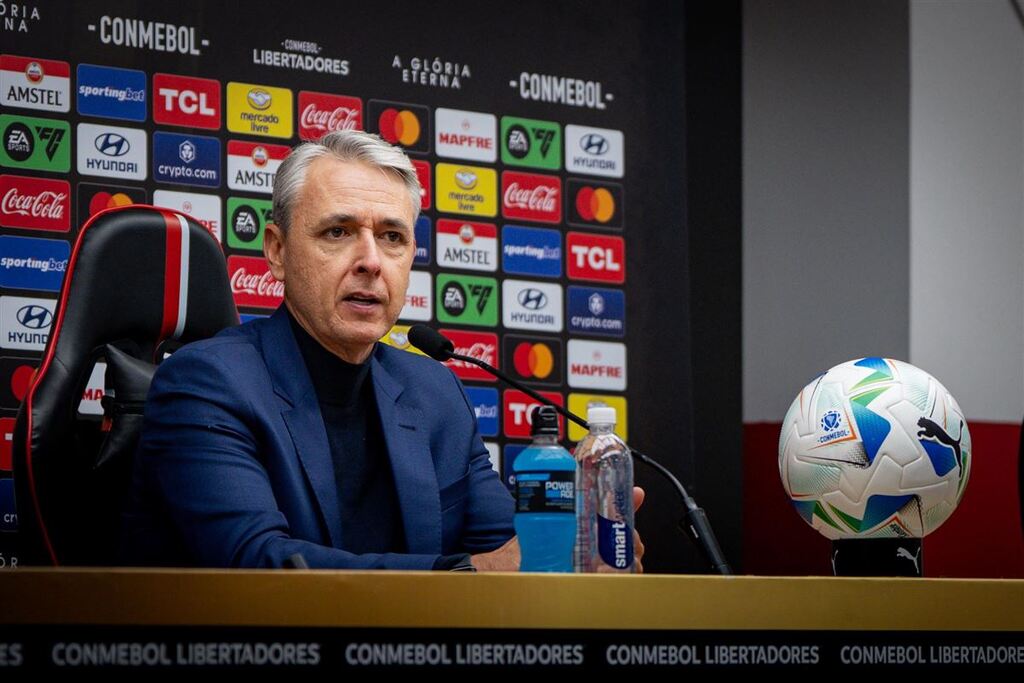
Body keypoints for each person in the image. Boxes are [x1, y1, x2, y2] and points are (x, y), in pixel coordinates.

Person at [122, 130, 643, 572]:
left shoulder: (434, 392)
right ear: (277, 252)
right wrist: (469, 573)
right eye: (338, 231)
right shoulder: (205, 383)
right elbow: (262, 566)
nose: (371, 261)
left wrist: (576, 554)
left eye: (392, 237)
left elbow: (507, 550)